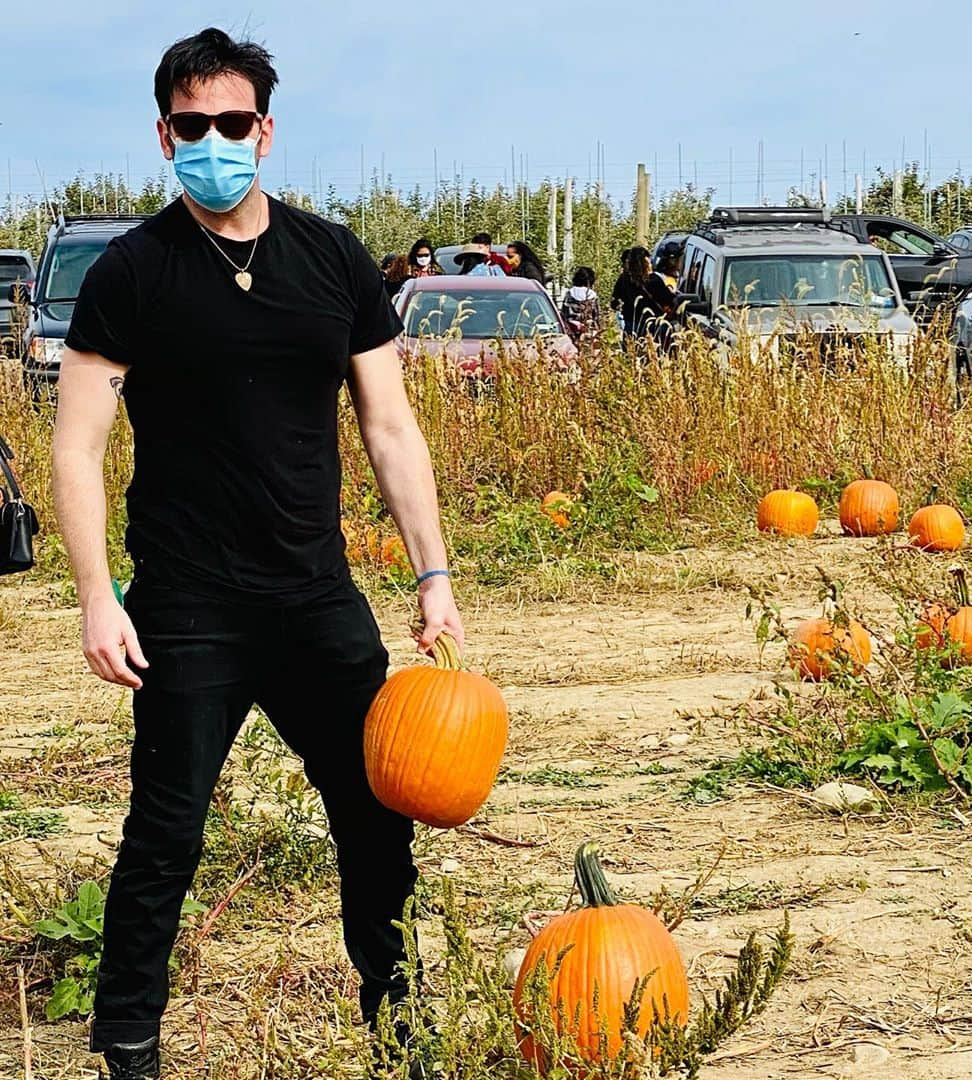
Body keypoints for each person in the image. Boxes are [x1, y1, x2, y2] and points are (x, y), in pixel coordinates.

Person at [53, 27, 462, 1080]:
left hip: (316, 601)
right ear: (164, 135)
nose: (214, 142)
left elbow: (390, 428)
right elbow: (79, 444)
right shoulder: (131, 274)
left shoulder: (331, 259)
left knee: (378, 823)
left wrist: (434, 576)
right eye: (192, 127)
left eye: (233, 123)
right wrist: (99, 598)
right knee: (165, 837)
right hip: (186, 608)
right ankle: (130, 1044)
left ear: (266, 132)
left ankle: (401, 1025)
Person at [612, 246, 676, 348]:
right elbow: (669, 301)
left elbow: (614, 302)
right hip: (654, 328)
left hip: (631, 327)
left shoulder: (623, 280)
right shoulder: (654, 280)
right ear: (646, 263)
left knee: (632, 357)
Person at [561, 266, 600, 342]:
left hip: (571, 329)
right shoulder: (592, 295)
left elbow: (564, 313)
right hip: (589, 330)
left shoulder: (569, 293)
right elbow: (596, 316)